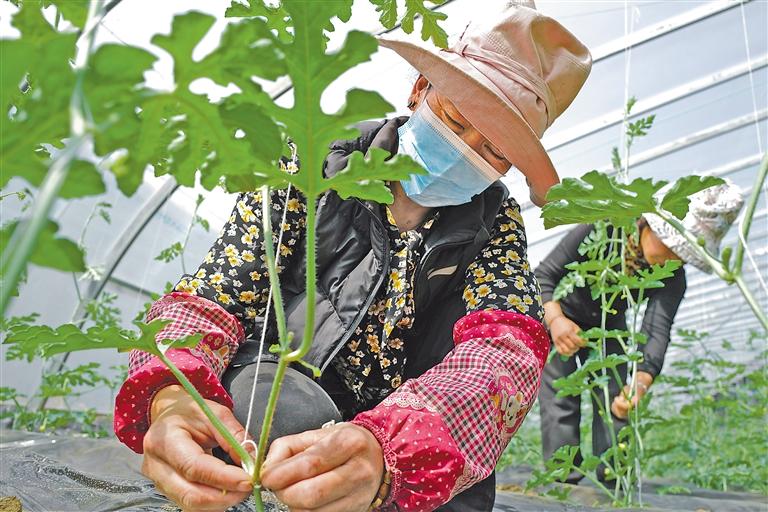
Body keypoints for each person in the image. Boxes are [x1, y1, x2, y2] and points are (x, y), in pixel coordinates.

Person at [113, 3, 592, 511]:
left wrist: (393, 451)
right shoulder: (315, 160)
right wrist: (173, 394)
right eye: (456, 118)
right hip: (284, 402)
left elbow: (505, 350)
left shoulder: (495, 223)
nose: (465, 149)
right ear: (419, 91)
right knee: (278, 413)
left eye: (495, 150)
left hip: (411, 438)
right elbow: (216, 296)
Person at [535, 182, 744, 483]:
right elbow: (544, 274)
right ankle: (562, 479)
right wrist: (555, 319)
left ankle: (614, 479)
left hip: (610, 327)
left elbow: (657, 330)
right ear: (651, 224)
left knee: (617, 394)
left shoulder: (673, 276)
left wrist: (641, 382)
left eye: (683, 254)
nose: (674, 258)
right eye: (672, 245)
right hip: (562, 315)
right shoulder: (604, 228)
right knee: (561, 396)